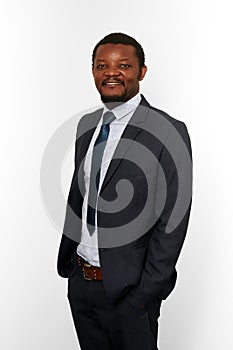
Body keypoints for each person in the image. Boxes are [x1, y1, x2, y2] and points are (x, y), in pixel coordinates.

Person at [57, 32, 192, 350]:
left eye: (124, 65)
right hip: (82, 282)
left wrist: (146, 293)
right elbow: (82, 195)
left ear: (141, 72)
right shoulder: (87, 126)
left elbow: (174, 218)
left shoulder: (169, 130)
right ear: (93, 72)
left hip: (130, 291)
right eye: (102, 65)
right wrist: (74, 275)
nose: (111, 72)